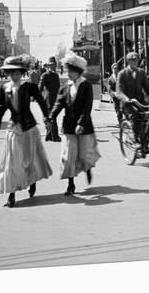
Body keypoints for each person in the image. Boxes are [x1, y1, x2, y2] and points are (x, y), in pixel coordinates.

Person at [0, 55, 52, 208]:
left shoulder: (29, 87)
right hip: (13, 129)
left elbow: (41, 101)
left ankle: (32, 181)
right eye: (12, 73)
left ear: (22, 73)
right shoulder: (4, 88)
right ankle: (11, 195)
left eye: (18, 73)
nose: (15, 76)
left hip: (29, 128)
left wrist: (47, 117)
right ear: (8, 74)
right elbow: (1, 109)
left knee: (29, 159)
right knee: (12, 162)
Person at [48, 52, 100, 196]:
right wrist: (51, 117)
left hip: (84, 125)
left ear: (78, 72)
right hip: (69, 126)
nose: (68, 74)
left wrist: (81, 123)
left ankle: (88, 169)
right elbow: (59, 103)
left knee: (84, 155)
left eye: (70, 71)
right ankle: (71, 184)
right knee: (69, 155)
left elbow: (87, 107)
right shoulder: (65, 87)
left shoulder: (86, 86)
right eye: (67, 71)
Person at [116, 52, 149, 145]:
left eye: (137, 60)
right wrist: (127, 99)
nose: (135, 62)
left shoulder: (141, 72)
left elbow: (148, 87)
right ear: (128, 61)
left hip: (140, 101)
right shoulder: (122, 74)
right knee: (136, 116)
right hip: (128, 103)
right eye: (133, 60)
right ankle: (136, 138)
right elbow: (119, 91)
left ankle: (147, 139)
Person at [39, 56, 61, 141]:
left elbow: (58, 87)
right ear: (48, 66)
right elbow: (40, 87)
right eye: (51, 65)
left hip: (55, 99)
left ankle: (49, 136)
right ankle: (55, 136)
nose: (53, 66)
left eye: (54, 65)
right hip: (48, 99)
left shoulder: (56, 75)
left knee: (50, 117)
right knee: (52, 117)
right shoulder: (44, 75)